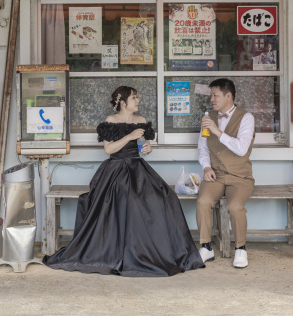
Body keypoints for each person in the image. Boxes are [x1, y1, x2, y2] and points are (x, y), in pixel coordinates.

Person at [44, 86, 204, 277]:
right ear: (123, 103)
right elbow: (109, 150)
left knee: (164, 197)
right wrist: (129, 136)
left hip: (138, 167)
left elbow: (146, 146)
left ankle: (155, 250)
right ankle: (125, 250)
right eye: (134, 98)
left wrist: (146, 148)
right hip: (116, 170)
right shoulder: (111, 121)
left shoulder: (141, 121)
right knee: (128, 199)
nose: (138, 101)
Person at [197, 78, 255, 269]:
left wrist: (218, 132)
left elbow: (241, 148)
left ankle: (240, 248)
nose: (211, 99)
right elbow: (203, 149)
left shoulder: (246, 118)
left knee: (235, 207)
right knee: (203, 202)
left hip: (240, 176)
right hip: (216, 175)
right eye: (211, 95)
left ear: (228, 96)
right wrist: (206, 167)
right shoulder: (209, 118)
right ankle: (206, 247)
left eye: (216, 95)